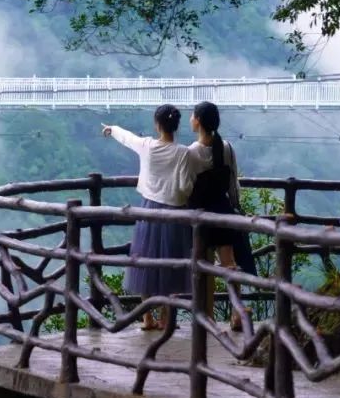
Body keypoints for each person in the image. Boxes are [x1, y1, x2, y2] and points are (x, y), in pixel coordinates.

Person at [101, 104, 198, 331]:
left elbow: (129, 138)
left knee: (145, 262)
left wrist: (112, 129)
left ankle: (147, 318)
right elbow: (185, 187)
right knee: (172, 265)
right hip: (176, 212)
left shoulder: (147, 147)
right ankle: (167, 319)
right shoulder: (184, 153)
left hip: (149, 210)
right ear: (176, 126)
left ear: (157, 125)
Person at [187, 101, 254, 331]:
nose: (190, 118)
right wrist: (235, 208)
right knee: (229, 265)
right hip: (223, 210)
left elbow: (186, 187)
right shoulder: (226, 147)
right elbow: (233, 181)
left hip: (201, 215)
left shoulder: (192, 152)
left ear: (198, 121)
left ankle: (208, 318)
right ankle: (237, 312)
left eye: (192, 115)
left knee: (206, 267)